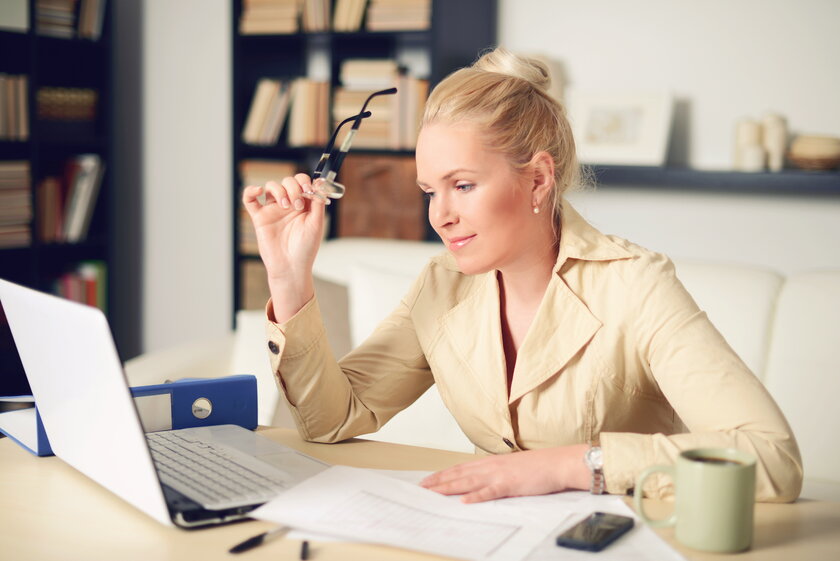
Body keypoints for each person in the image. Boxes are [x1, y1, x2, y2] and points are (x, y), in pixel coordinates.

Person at [242, 48, 802, 504]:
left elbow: (770, 456)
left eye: (462, 185)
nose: (440, 216)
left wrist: (569, 466)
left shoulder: (636, 284)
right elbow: (332, 420)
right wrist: (290, 279)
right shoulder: (441, 286)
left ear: (537, 180)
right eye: (430, 192)